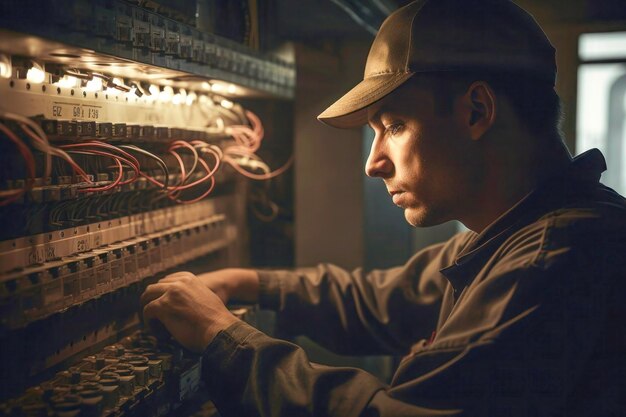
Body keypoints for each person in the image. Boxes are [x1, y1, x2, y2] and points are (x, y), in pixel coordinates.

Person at [140, 0, 626, 415]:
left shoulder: (554, 257)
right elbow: (379, 301)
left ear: (477, 110)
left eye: (393, 126)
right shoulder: (515, 230)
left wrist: (220, 335)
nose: (374, 163)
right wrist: (249, 283)